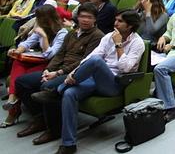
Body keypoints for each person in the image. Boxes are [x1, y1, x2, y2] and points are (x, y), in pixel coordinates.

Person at [13, 3, 104, 145]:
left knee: (47, 87)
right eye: (82, 16)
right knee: (21, 81)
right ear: (77, 18)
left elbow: (84, 61)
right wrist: (48, 70)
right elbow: (60, 54)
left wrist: (57, 73)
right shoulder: (72, 33)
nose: (85, 20)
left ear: (95, 20)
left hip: (76, 73)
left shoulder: (98, 36)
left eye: (89, 17)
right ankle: (40, 118)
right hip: (58, 69)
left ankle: (54, 129)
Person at [55, 10, 145, 154]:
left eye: (120, 21)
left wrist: (119, 45)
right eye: (115, 19)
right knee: (70, 93)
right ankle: (68, 144)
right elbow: (91, 56)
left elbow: (126, 68)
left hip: (115, 83)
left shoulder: (137, 43)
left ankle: (60, 86)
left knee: (96, 62)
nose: (115, 23)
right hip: (95, 78)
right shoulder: (108, 36)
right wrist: (74, 71)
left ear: (129, 26)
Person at [2, 5, 68, 128]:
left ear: (49, 19)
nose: (38, 22)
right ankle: (12, 99)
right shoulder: (41, 28)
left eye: (40, 19)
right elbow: (27, 43)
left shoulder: (62, 33)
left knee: (20, 79)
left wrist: (43, 36)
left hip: (51, 64)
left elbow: (50, 55)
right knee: (18, 61)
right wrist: (18, 50)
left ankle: (13, 111)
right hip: (37, 60)